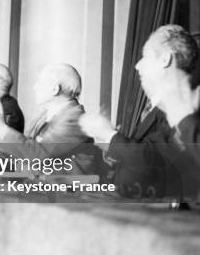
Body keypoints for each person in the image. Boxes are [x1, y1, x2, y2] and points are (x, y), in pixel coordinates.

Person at [80, 24, 200, 197]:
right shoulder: (162, 107)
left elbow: (154, 162)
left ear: (165, 59)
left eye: (145, 56)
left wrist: (108, 135)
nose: (137, 65)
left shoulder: (182, 106)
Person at [0, 63, 94, 173]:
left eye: (40, 82)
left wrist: (1, 128)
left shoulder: (75, 119)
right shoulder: (44, 117)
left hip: (69, 195)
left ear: (55, 89)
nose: (34, 87)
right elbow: (23, 155)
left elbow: (37, 154)